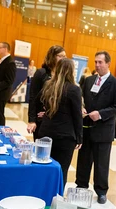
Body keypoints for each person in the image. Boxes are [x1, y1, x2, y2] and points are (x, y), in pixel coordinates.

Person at [76, 51, 116, 204]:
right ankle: (81, 186)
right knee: (83, 160)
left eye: (100, 62)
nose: (97, 65)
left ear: (108, 63)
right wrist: (81, 107)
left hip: (103, 129)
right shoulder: (88, 80)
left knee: (101, 163)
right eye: (95, 62)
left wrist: (101, 114)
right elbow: (80, 98)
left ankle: (101, 191)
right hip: (87, 127)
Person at [38, 58, 83, 188]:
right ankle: (57, 200)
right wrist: (80, 137)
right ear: (71, 72)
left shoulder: (48, 86)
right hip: (65, 137)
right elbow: (77, 116)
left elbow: (45, 107)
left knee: (45, 168)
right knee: (61, 171)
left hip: (46, 132)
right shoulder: (74, 89)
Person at [27, 45, 66, 140]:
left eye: (64, 56)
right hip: (41, 118)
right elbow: (33, 97)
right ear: (52, 57)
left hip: (56, 120)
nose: (63, 59)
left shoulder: (63, 75)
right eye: (60, 56)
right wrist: (32, 120)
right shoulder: (41, 73)